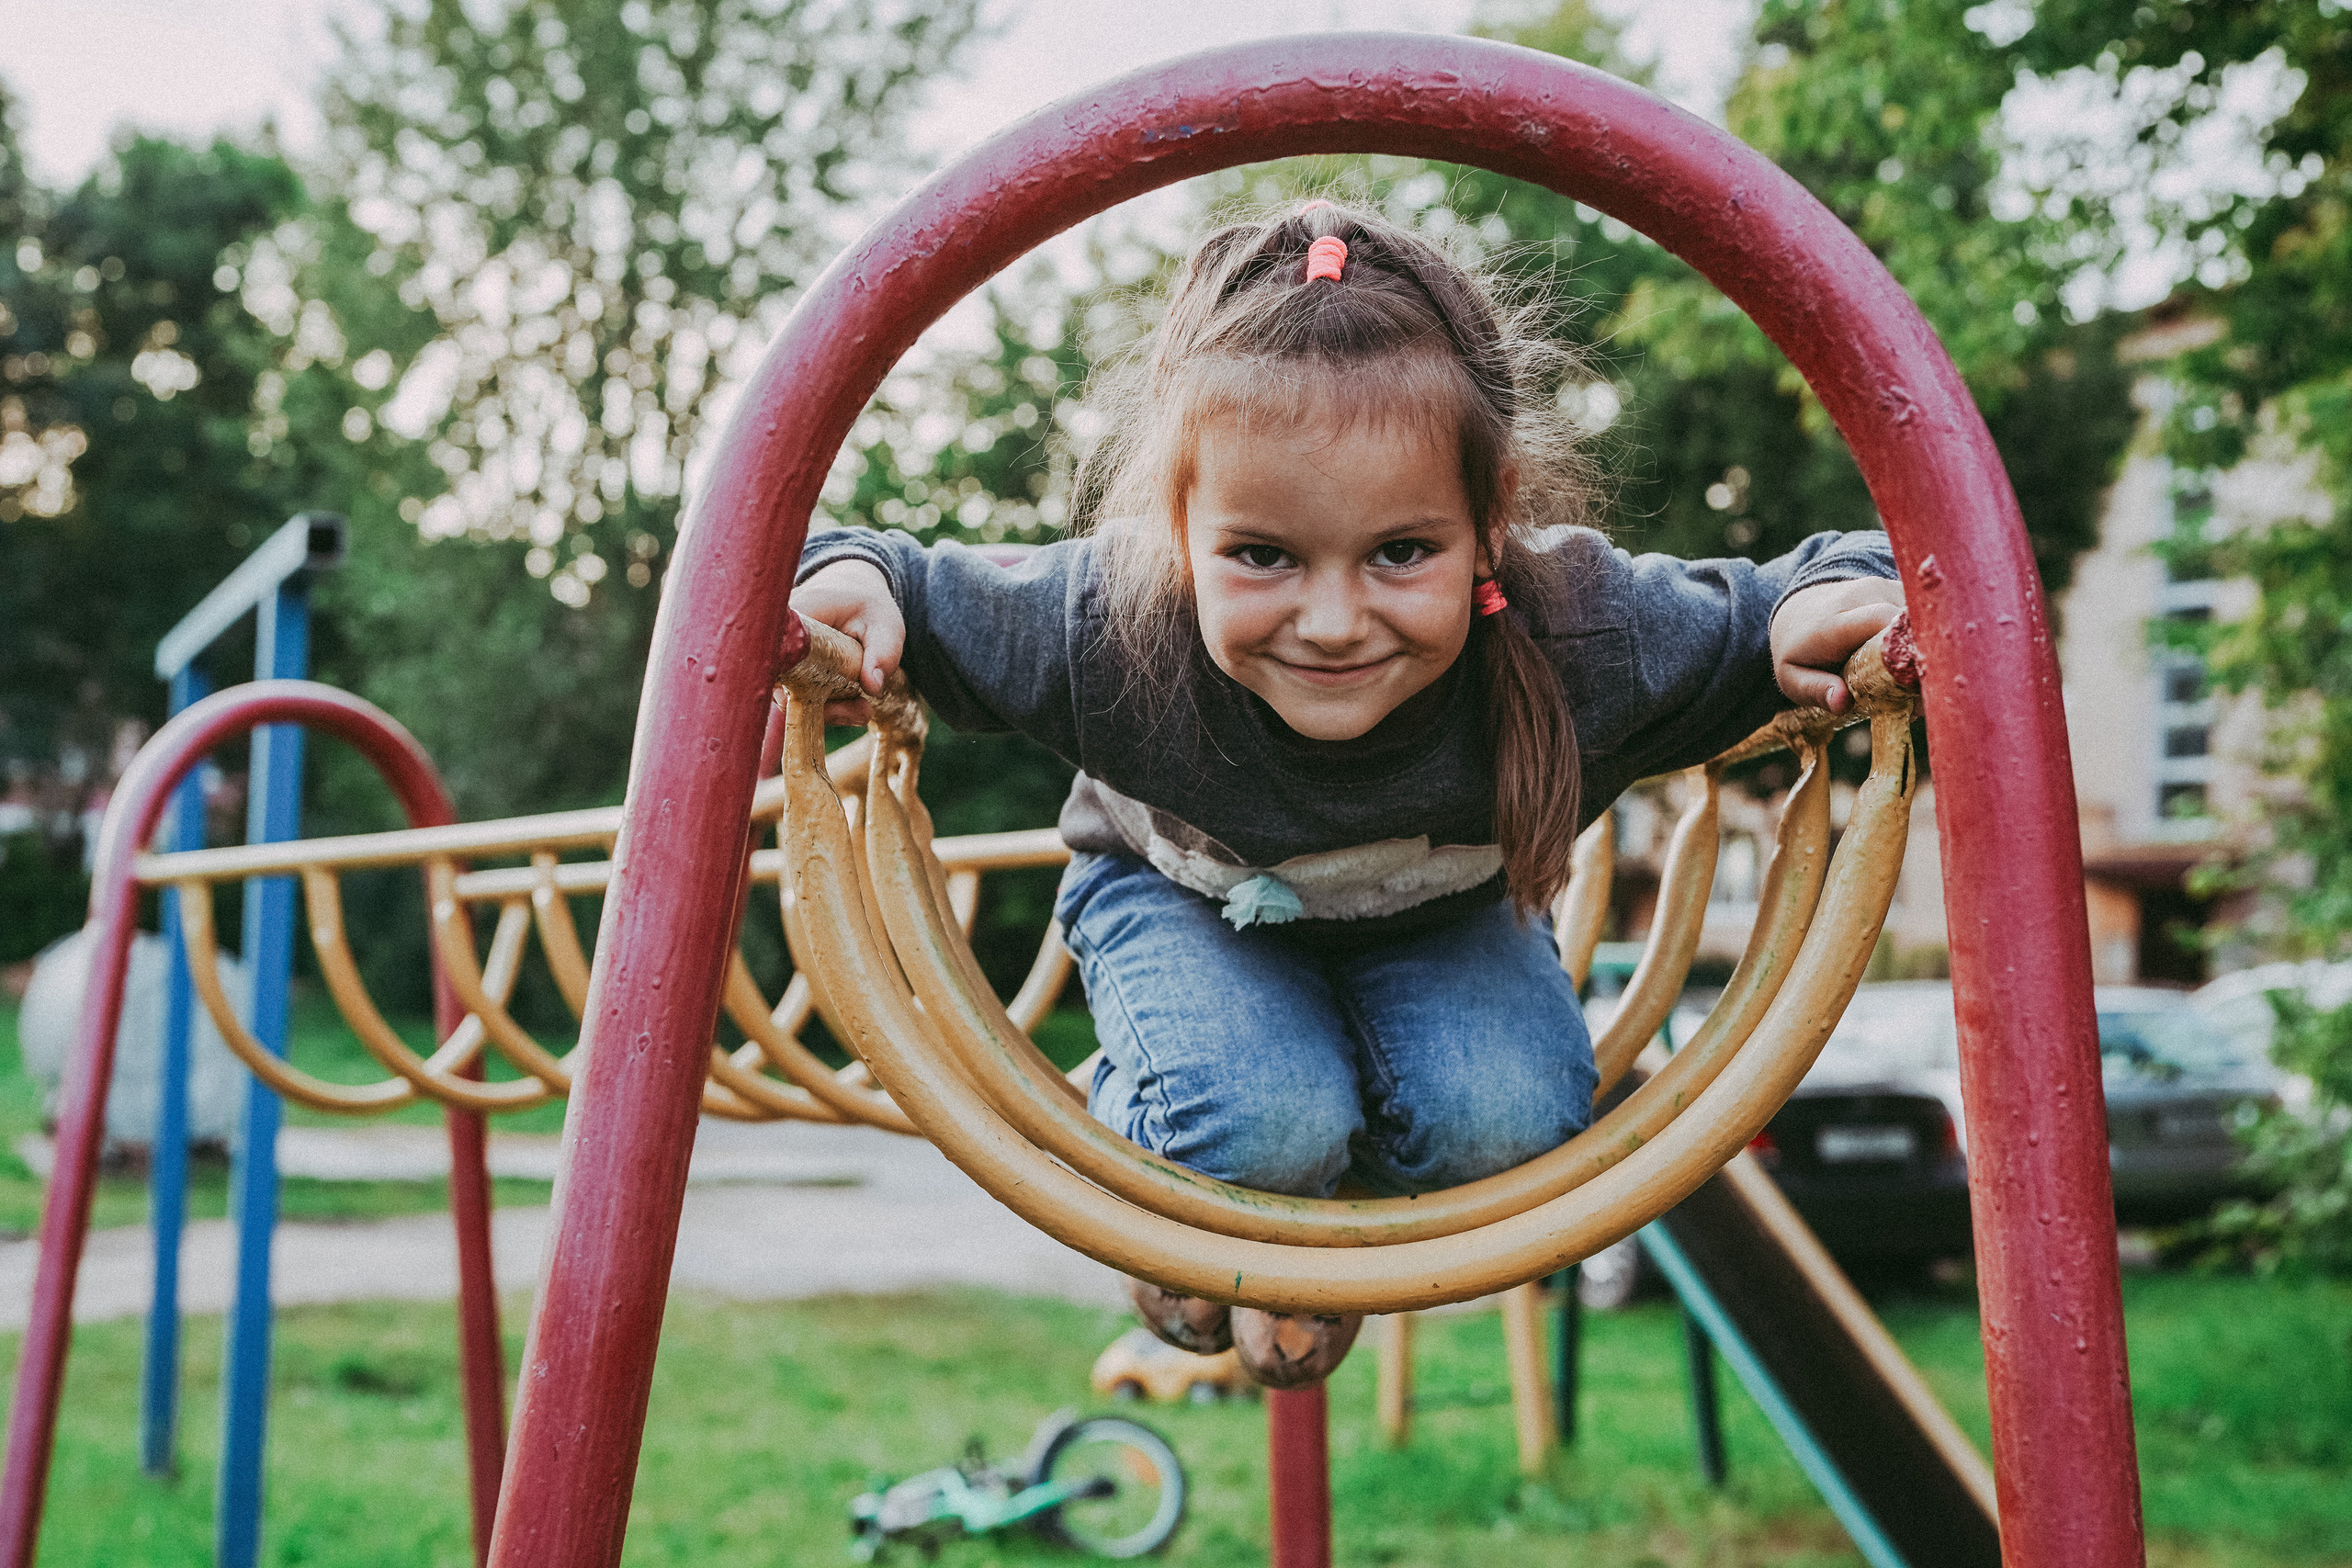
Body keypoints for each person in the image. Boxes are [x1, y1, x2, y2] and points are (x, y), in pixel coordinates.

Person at [787, 201, 1903, 1387]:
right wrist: (856, 592)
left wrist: (1823, 613)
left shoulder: (1589, 631)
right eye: (1262, 555)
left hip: (1443, 919)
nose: (1331, 622)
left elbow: (1820, 573)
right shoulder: (1108, 623)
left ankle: (1293, 1214)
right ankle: (1177, 1151)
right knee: (1255, 1122)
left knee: (1509, 1129)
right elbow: (893, 570)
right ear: (1179, 524)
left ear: (1491, 518)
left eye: (1400, 553)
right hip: (1180, 897)